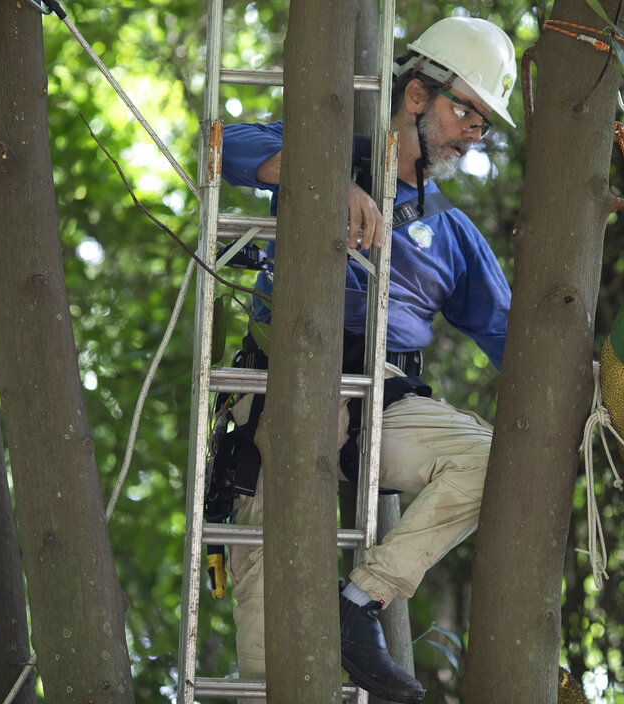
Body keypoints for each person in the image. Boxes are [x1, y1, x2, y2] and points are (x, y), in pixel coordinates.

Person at [219, 16, 517, 704]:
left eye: (484, 123)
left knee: (495, 462)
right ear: (416, 97)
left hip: (382, 403)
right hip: (282, 393)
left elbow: (515, 340)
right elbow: (228, 146)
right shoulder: (326, 152)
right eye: (465, 110)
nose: (474, 132)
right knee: (271, 654)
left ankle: (360, 604)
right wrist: (329, 181)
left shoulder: (452, 234)